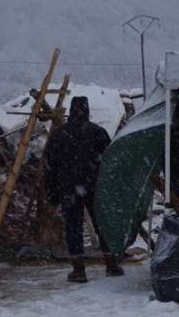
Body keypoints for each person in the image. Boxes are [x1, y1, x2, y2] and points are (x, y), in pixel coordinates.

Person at [43, 95, 121, 283]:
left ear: (71, 111)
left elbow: (49, 165)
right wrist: (109, 188)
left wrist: (52, 193)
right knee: (102, 224)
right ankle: (111, 264)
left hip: (68, 188)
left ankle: (78, 270)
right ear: (87, 110)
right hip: (95, 186)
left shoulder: (60, 133)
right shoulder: (98, 132)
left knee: (73, 227)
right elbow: (110, 163)